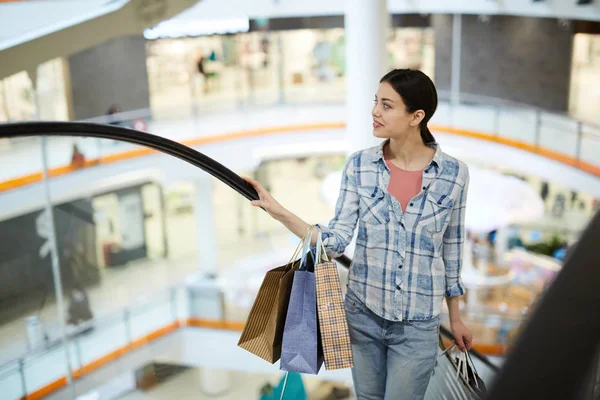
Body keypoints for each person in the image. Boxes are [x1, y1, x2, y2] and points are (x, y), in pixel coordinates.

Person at [244, 69, 473, 400]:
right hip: (363, 317)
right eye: (375, 102)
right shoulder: (360, 166)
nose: (375, 112)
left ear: (416, 116)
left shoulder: (454, 175)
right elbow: (335, 239)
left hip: (417, 326)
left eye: (387, 105)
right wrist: (278, 211)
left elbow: (452, 249)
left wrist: (456, 316)